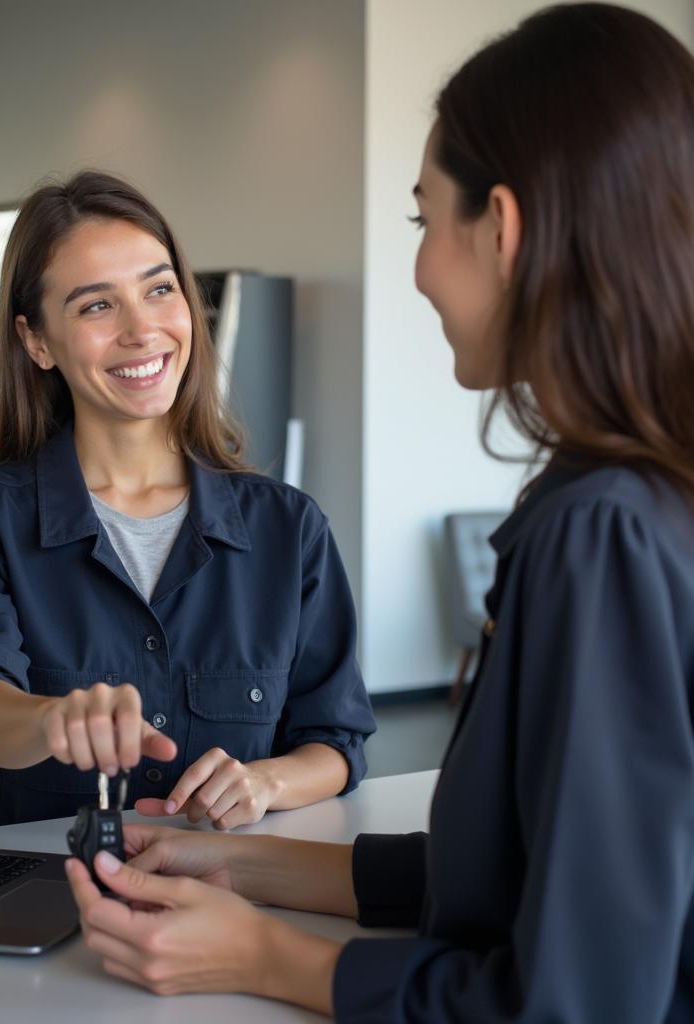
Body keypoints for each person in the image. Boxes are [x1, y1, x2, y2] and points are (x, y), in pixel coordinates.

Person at [64, 4, 694, 1020]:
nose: (416, 270)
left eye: (422, 222)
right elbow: (520, 867)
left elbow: (574, 1000)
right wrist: (244, 864)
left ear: (505, 226)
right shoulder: (631, 498)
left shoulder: (601, 530)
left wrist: (261, 958)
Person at [0, 171, 376, 832]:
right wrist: (53, 719)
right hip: (43, 902)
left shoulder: (289, 527)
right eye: (96, 305)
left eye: (159, 289)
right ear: (36, 340)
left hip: (232, 903)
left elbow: (336, 742)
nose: (142, 329)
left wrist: (264, 781)